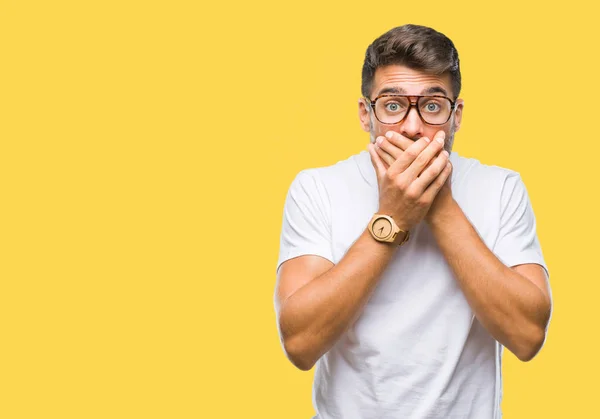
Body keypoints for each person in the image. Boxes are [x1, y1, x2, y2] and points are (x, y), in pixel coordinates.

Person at [273, 24, 552, 419]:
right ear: (364, 113)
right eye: (392, 105)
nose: (411, 126)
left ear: (456, 116)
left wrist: (439, 206)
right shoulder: (317, 188)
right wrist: (392, 219)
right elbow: (300, 344)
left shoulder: (501, 188)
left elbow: (527, 338)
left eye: (432, 106)